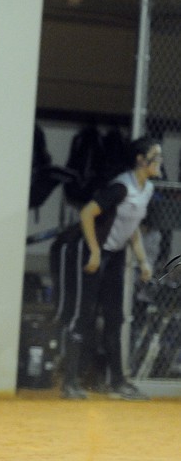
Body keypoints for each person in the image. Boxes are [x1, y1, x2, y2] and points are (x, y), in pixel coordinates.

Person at [52, 135, 161, 400]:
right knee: (82, 315)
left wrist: (142, 260)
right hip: (86, 251)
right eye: (155, 157)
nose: (159, 162)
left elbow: (131, 227)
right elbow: (87, 213)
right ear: (140, 160)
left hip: (114, 255)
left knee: (114, 318)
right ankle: (69, 382)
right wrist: (95, 251)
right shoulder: (121, 188)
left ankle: (118, 383)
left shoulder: (146, 189)